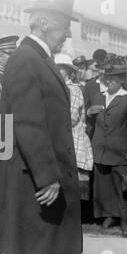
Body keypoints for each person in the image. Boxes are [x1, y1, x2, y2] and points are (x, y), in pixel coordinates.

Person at [0, 0, 82, 254]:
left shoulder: (35, 59)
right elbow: (28, 122)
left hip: (35, 180)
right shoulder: (26, 59)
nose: (67, 36)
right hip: (36, 182)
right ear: (45, 22)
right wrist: (47, 176)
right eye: (65, 28)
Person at [89, 53, 127, 238]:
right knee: (104, 188)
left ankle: (124, 220)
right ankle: (110, 215)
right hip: (100, 151)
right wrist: (89, 112)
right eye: (107, 78)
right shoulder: (99, 97)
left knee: (122, 190)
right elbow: (91, 123)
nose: (109, 82)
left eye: (114, 79)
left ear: (122, 80)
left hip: (120, 153)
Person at [55, 54, 93, 201]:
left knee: (72, 186)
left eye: (61, 69)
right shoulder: (58, 88)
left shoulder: (73, 90)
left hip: (73, 141)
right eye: (55, 69)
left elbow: (70, 117)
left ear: (69, 72)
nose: (57, 72)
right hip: (62, 140)